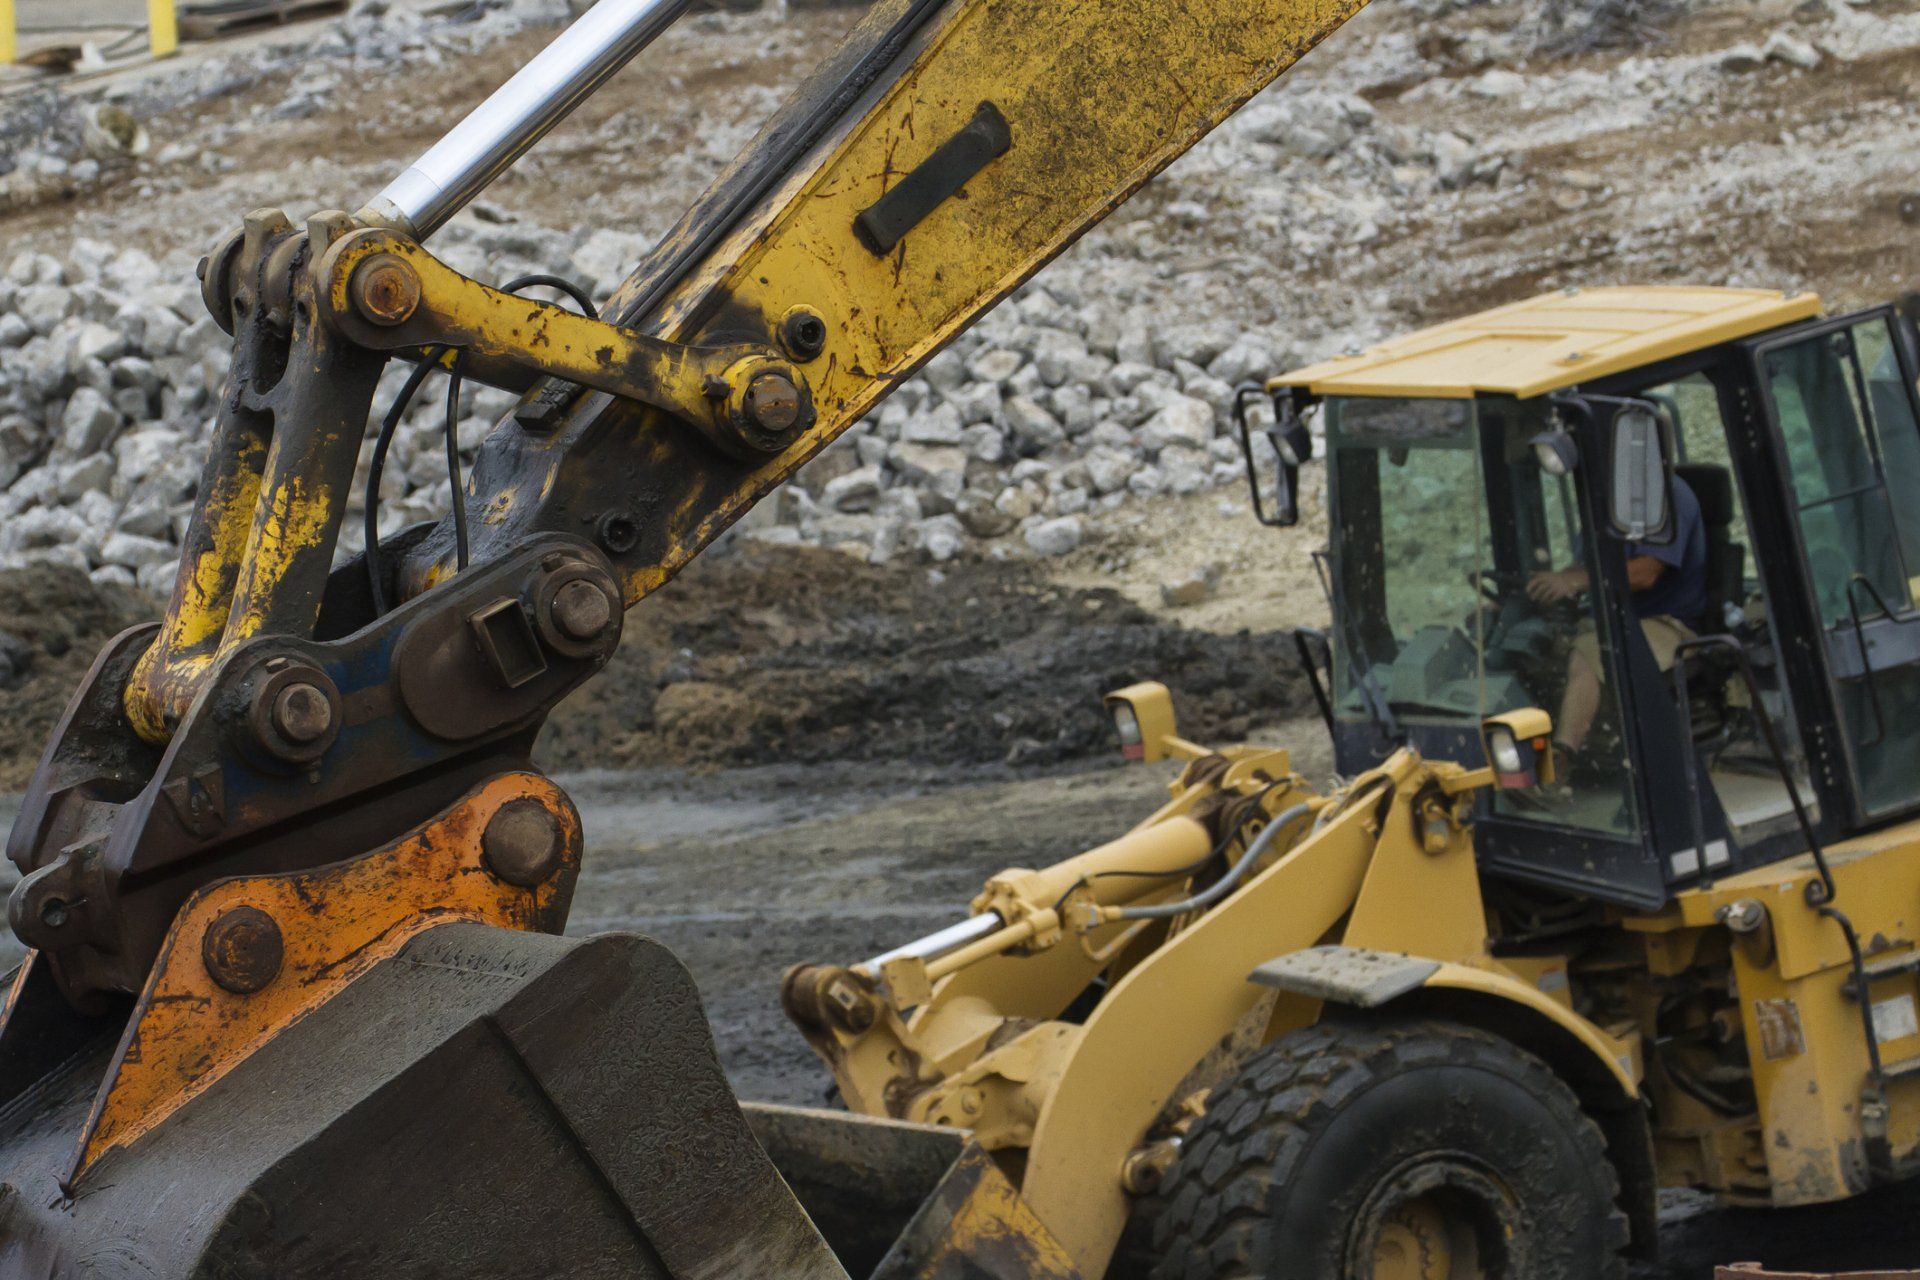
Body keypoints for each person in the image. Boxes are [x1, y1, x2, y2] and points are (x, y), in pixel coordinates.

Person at [1526, 474, 1707, 760]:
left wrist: (1576, 580)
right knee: (1531, 645)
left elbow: (1647, 572)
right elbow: (1584, 567)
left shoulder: (1665, 494)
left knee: (1589, 653)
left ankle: (1561, 762)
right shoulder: (1606, 501)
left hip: (1667, 622)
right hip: (1611, 618)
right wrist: (1548, 586)